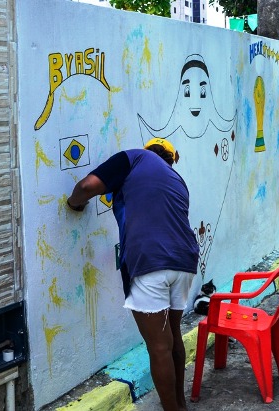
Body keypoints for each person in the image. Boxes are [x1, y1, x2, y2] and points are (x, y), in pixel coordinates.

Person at [67, 138, 199, 411]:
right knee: (173, 335)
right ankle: (181, 405)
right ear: (172, 159)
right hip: (184, 260)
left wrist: (75, 204)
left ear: (148, 149)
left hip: (151, 261)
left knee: (159, 347)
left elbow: (86, 187)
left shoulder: (134, 158)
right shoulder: (178, 181)